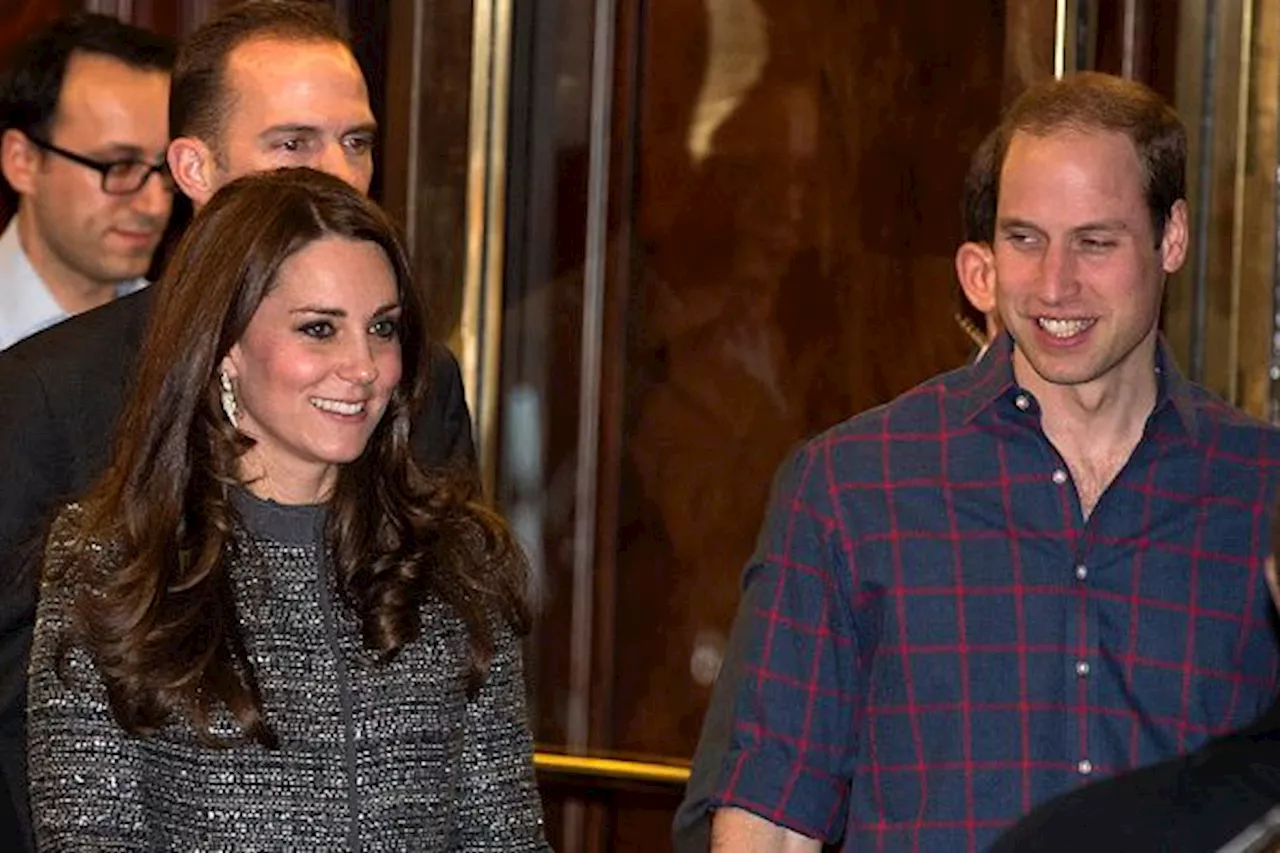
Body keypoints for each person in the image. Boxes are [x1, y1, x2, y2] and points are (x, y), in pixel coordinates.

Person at [683, 71, 1280, 852]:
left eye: (1095, 242)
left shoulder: (1260, 491)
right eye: (1024, 238)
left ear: (1172, 237)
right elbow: (769, 826)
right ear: (987, 255)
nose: (1054, 283)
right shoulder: (854, 486)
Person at [0, 3, 472, 848]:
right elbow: (24, 730)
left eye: (357, 142)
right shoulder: (49, 391)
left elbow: (461, 704)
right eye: (293, 144)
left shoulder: (416, 385)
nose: (335, 173)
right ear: (193, 166)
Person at [26, 166, 548, 851]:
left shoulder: (455, 560)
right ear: (227, 345)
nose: (363, 366)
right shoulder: (115, 562)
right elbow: (91, 836)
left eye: (382, 327)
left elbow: (503, 835)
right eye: (319, 329)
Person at [672, 116, 1006, 853]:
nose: (786, 207)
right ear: (979, 275)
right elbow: (759, 808)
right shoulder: (853, 475)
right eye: (765, 181)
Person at [0, 13, 175, 350]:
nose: (155, 205)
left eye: (165, 169)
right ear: (22, 161)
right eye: (120, 166)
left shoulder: (178, 334)